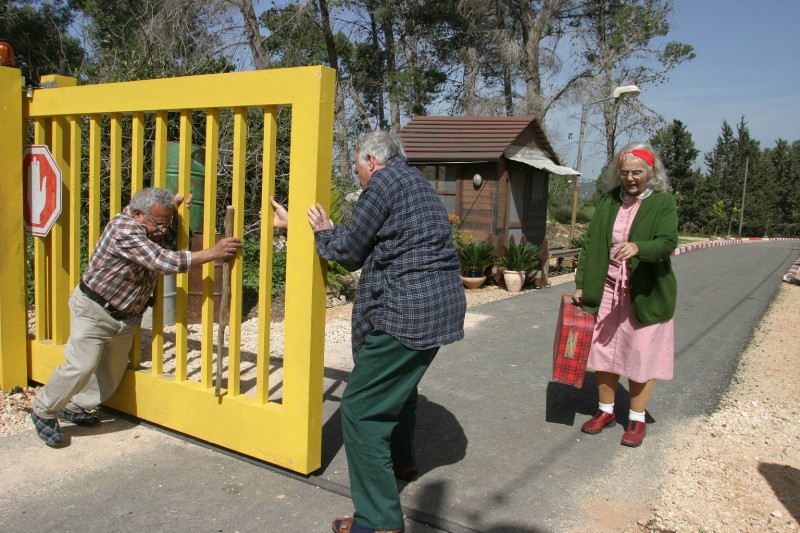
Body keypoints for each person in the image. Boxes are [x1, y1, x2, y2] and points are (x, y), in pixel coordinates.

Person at [270, 131, 466, 533]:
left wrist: (323, 231)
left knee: (360, 408)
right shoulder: (411, 181)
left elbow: (349, 250)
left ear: (371, 161)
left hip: (407, 312)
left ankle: (378, 522)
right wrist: (301, 226)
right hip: (437, 309)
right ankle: (403, 459)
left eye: (357, 168)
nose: (358, 177)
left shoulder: (383, 181)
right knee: (398, 386)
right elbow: (370, 233)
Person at [30, 187, 242, 447]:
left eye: (166, 223)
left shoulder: (149, 226)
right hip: (94, 309)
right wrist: (213, 253)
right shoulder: (124, 229)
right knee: (81, 365)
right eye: (159, 223)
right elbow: (162, 261)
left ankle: (75, 407)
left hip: (125, 316)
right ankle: (43, 409)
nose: (163, 229)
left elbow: (165, 243)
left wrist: (173, 213)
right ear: (138, 213)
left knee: (110, 371)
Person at [572, 142, 678, 448]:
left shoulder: (663, 202)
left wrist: (639, 248)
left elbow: (667, 242)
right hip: (605, 288)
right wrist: (581, 282)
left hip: (644, 291)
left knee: (640, 355)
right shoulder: (609, 201)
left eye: (637, 172)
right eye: (625, 172)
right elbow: (591, 243)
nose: (631, 178)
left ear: (650, 172)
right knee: (603, 353)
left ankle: (636, 418)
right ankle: (605, 411)